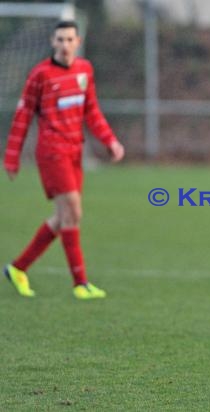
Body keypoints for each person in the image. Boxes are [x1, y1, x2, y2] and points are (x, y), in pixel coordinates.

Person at [3, 20, 124, 299]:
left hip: (74, 151)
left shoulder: (84, 70)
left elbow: (91, 111)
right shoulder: (40, 75)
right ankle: (80, 283)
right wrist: (12, 157)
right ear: (52, 42)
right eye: (60, 39)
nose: (65, 45)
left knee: (64, 217)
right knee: (72, 210)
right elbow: (22, 115)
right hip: (51, 151)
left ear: (78, 42)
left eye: (70, 39)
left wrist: (110, 141)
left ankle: (18, 268)